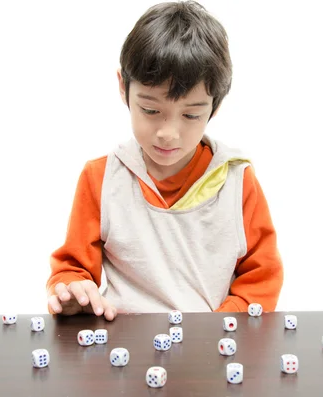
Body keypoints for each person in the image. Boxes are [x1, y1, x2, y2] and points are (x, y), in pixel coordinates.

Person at [46, 0, 283, 320]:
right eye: (151, 110)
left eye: (190, 115)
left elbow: (260, 278)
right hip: (124, 346)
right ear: (123, 88)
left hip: (209, 348)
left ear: (215, 107)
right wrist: (74, 292)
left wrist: (219, 325)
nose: (168, 133)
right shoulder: (101, 178)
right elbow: (73, 271)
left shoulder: (237, 180)